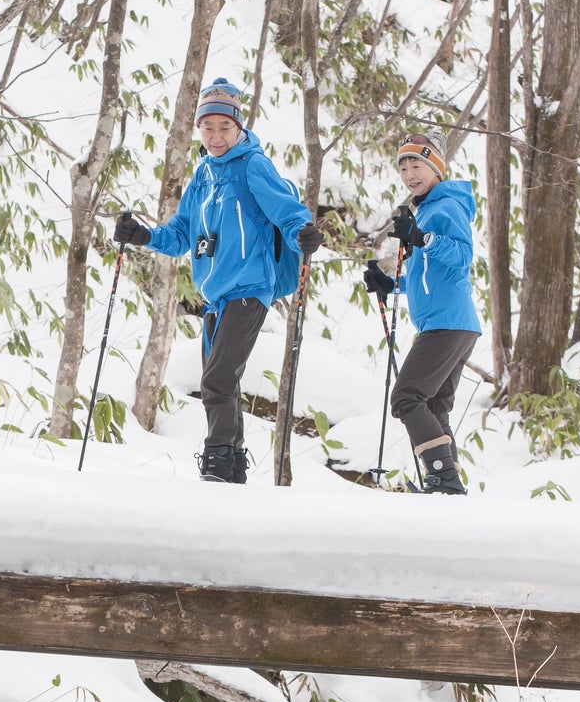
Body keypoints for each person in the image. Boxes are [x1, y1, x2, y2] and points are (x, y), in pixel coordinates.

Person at [112, 78, 322, 484]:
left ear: (239, 126)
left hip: (250, 288)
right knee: (223, 381)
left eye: (224, 127)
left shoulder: (253, 165)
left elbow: (286, 210)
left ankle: (217, 463)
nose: (216, 136)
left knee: (218, 380)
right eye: (207, 127)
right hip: (214, 296)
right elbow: (180, 235)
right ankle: (232, 466)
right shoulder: (203, 175)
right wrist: (142, 235)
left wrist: (303, 232)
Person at [362, 133, 480, 495]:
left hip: (448, 323)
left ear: (436, 169)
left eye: (418, 165)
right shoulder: (425, 211)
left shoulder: (448, 207)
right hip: (450, 324)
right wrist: (390, 284)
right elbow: (427, 275)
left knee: (407, 397)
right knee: (434, 406)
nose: (410, 174)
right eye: (404, 167)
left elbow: (462, 256)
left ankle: (442, 478)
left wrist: (423, 238)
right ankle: (447, 485)